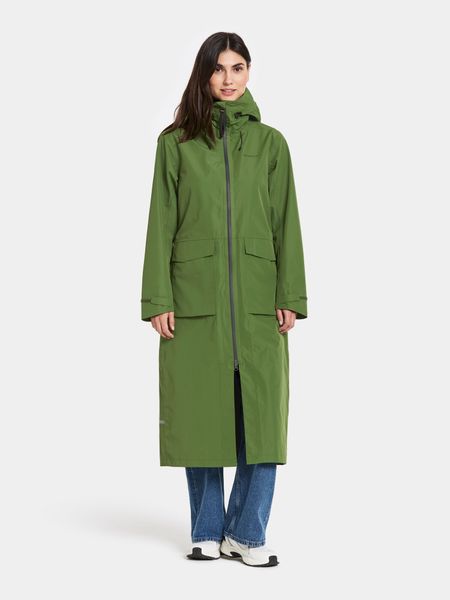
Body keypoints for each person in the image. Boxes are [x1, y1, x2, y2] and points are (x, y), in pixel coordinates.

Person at [140, 32, 308, 567]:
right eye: (219, 69)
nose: (229, 79)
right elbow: (161, 223)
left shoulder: (271, 144)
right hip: (193, 300)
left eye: (238, 68)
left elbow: (286, 223)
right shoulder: (176, 144)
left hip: (259, 300)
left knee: (263, 419)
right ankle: (207, 529)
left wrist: (290, 293)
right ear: (204, 75)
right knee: (200, 414)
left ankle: (247, 534)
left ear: (249, 72)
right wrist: (158, 297)